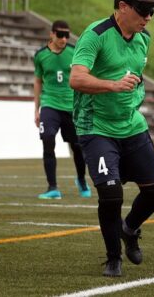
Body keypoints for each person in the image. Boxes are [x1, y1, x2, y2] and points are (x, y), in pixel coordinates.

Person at [70, 0, 154, 278]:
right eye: (143, 10)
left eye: (153, 11)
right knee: (111, 194)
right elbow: (76, 78)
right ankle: (113, 258)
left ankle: (130, 229)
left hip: (132, 125)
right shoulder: (95, 35)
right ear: (123, 6)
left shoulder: (144, 38)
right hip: (96, 126)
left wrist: (134, 96)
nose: (148, 17)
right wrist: (112, 85)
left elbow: (136, 77)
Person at [33, 20, 90, 200]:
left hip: (71, 106)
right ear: (51, 34)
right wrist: (36, 109)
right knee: (48, 139)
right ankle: (52, 187)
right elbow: (38, 81)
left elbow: (85, 76)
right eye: (60, 35)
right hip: (50, 104)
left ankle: (81, 180)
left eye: (67, 35)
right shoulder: (40, 55)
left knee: (77, 147)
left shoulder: (74, 53)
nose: (64, 39)